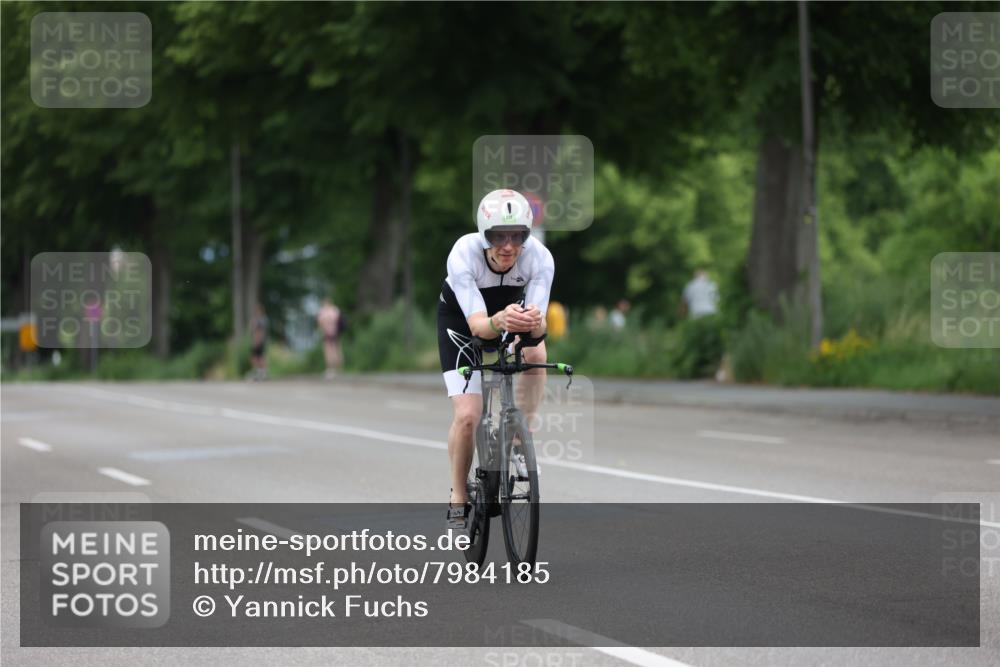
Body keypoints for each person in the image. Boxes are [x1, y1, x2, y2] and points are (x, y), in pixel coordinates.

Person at [438, 189, 554, 528]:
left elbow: (539, 325)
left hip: (509, 315)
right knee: (468, 416)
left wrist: (532, 322)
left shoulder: (540, 258)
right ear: (483, 236)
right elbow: (478, 326)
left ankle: (522, 435)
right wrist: (499, 320)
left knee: (535, 350)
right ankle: (459, 496)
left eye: (517, 235)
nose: (507, 245)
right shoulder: (463, 253)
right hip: (462, 322)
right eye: (498, 236)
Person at [316, 298, 344, 380]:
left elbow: (320, 322)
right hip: (336, 333)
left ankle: (331, 369)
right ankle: (339, 369)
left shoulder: (323, 312)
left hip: (327, 333)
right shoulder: (335, 310)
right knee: (337, 350)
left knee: (329, 352)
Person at [249, 303, 268, 381]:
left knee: (260, 358)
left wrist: (258, 341)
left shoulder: (261, 320)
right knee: (255, 358)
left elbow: (261, 332)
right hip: (255, 341)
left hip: (259, 342)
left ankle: (262, 373)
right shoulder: (256, 319)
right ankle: (258, 372)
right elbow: (252, 329)